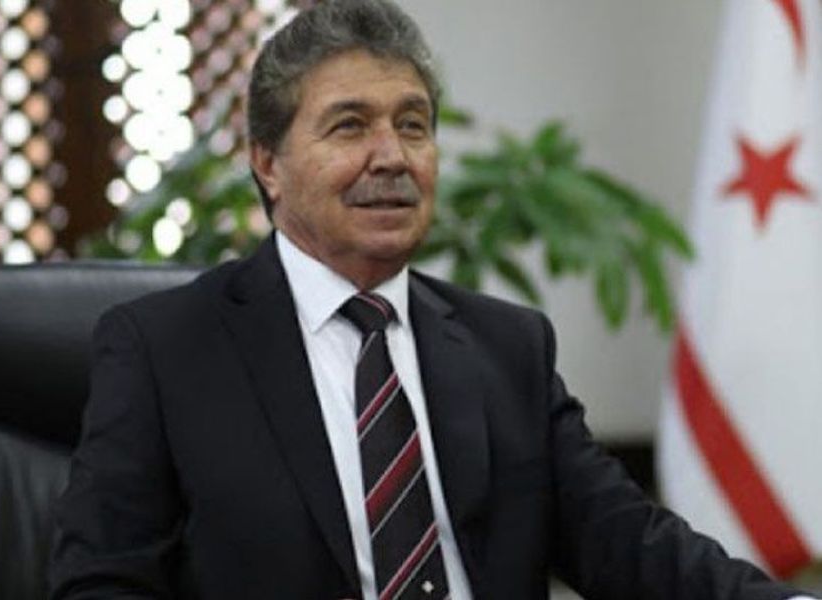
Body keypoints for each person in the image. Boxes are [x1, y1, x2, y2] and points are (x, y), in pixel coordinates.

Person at [49, 1, 817, 599]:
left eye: (412, 126)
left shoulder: (506, 348)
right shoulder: (166, 348)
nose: (391, 156)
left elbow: (627, 541)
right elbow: (101, 584)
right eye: (350, 126)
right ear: (268, 164)